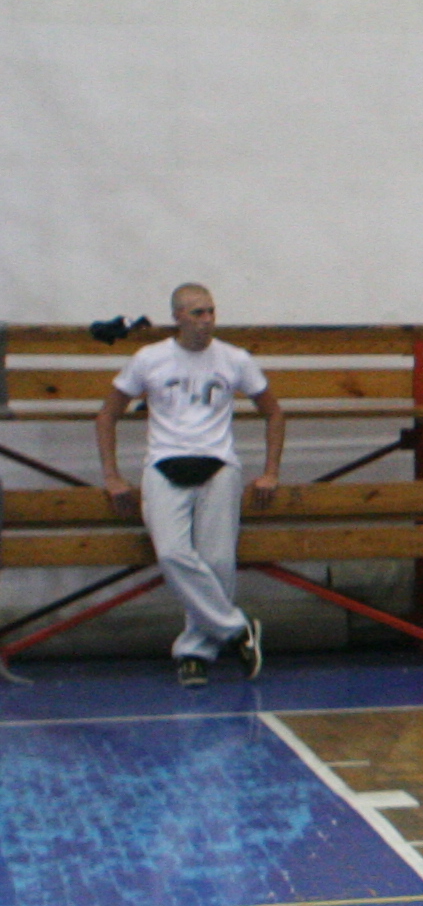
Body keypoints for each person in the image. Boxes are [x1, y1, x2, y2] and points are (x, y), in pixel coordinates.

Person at [95, 284, 286, 688]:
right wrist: (112, 476)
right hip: (163, 464)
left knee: (217, 562)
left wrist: (271, 471)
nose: (207, 320)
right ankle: (237, 628)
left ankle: (195, 652)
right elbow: (107, 415)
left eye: (211, 311)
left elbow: (273, 412)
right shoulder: (149, 358)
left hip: (219, 465)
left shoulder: (235, 358)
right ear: (178, 316)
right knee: (171, 553)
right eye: (198, 313)